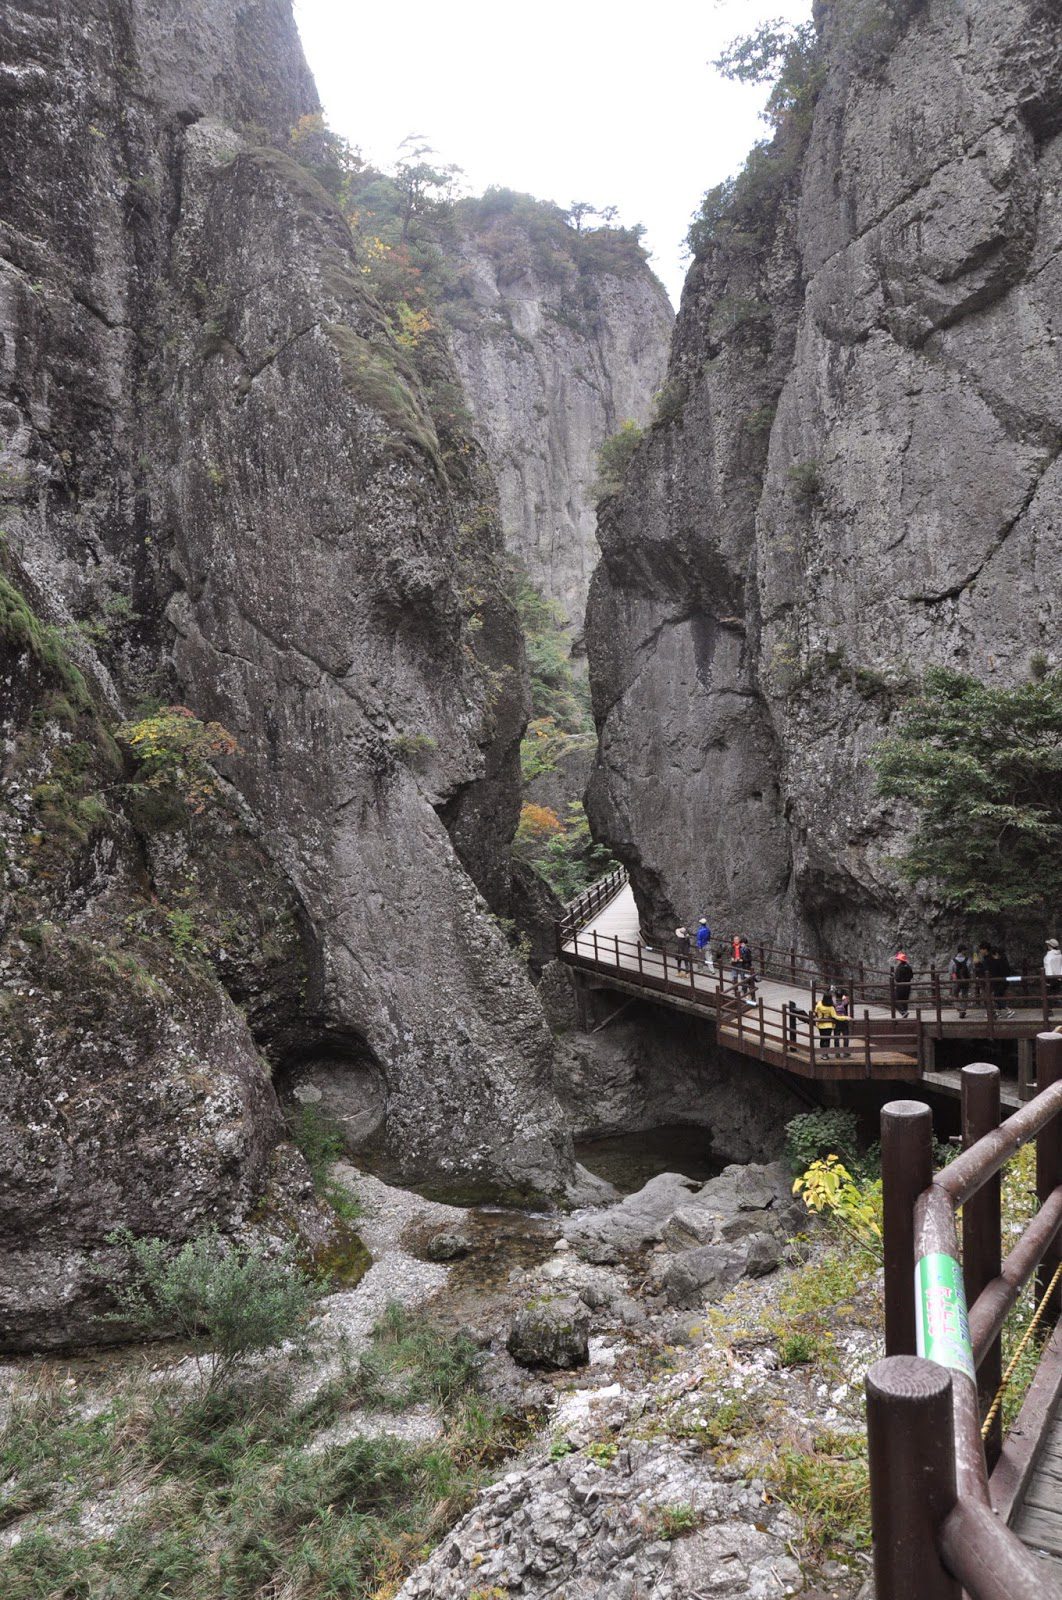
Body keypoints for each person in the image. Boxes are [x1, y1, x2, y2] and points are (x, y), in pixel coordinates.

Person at [988, 946, 1012, 1018]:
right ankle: (998, 1012)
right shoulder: (1003, 960)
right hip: (1002, 981)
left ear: (996, 954)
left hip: (1001, 981)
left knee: (996, 996)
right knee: (999, 996)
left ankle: (1008, 1010)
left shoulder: (1000, 961)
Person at [949, 944, 971, 1018]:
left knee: (954, 995)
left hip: (956, 980)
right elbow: (970, 970)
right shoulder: (968, 960)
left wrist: (953, 979)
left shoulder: (953, 961)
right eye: (965, 950)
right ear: (962, 950)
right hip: (965, 980)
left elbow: (951, 972)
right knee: (965, 995)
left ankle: (960, 1009)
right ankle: (963, 1010)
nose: (966, 951)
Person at [893, 952, 913, 1018]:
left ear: (900, 960)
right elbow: (911, 975)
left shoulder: (899, 968)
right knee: (905, 1000)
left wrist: (894, 976)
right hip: (907, 986)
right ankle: (905, 1012)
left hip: (901, 986)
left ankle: (903, 1012)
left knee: (895, 999)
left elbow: (897, 978)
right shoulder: (908, 967)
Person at [834, 990, 852, 1054]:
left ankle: (837, 1052)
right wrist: (844, 996)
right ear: (842, 996)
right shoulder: (845, 1002)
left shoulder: (833, 1003)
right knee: (846, 1036)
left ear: (835, 995)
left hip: (836, 1021)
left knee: (836, 1037)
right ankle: (846, 1051)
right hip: (844, 1021)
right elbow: (848, 998)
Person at [1045, 939, 1062, 1004]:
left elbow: (1048, 968)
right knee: (1058, 993)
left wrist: (1048, 980)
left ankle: (1048, 1010)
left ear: (1050, 946)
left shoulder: (1048, 956)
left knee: (1048, 995)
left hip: (1051, 978)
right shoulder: (1060, 955)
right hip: (1059, 977)